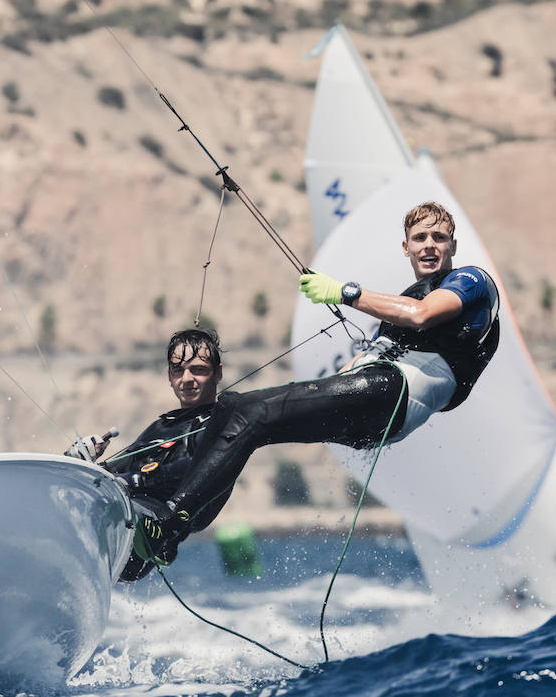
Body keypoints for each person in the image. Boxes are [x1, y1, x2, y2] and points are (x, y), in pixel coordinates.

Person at [122, 200, 501, 574]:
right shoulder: (403, 302)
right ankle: (163, 532)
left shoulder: (471, 281)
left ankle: (170, 524)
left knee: (249, 412)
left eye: (439, 237)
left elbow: (422, 315)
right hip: (373, 405)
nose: (429, 245)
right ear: (406, 247)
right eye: (420, 238)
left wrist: (344, 293)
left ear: (453, 245)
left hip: (396, 393)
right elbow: (361, 365)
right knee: (237, 417)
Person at [63, 327, 227, 581]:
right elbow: (116, 473)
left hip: (151, 531)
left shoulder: (224, 423)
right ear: (169, 376)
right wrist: (80, 462)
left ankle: (157, 539)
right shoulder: (162, 426)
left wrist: (138, 480)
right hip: (120, 527)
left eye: (199, 369)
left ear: (218, 374)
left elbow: (201, 466)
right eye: (178, 370)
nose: (187, 378)